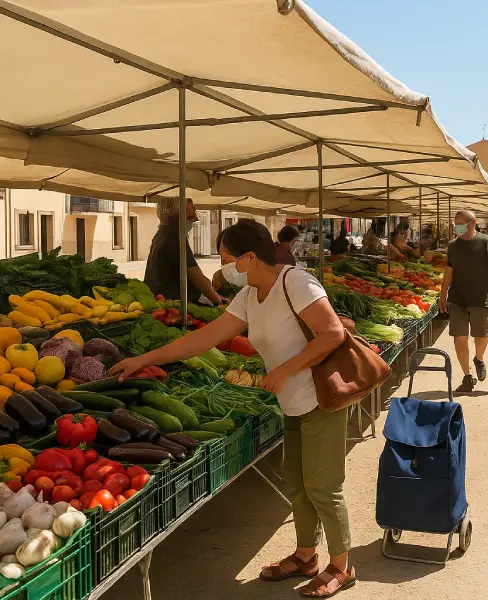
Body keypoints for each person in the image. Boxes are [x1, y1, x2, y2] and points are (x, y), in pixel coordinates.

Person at [112, 218, 356, 596]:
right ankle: (306, 555)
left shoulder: (297, 283)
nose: (223, 267)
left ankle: (342, 565)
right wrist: (144, 358)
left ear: (248, 257)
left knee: (323, 487)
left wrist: (287, 368)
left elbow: (333, 333)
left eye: (227, 258)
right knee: (296, 482)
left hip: (319, 397)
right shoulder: (248, 296)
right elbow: (206, 337)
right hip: (290, 401)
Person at [439, 210, 488, 392]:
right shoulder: (453, 246)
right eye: (455, 224)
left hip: (480, 298)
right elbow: (448, 272)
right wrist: (443, 295)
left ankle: (479, 359)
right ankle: (467, 376)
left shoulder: (486, 242)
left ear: (472, 223)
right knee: (460, 338)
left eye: (459, 224)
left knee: (481, 336)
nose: (456, 227)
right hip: (457, 299)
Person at [144, 198, 224, 305]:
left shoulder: (161, 234)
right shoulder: (174, 236)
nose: (195, 218)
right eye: (190, 216)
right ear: (177, 216)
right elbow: (194, 274)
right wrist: (217, 300)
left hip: (164, 299)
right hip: (174, 302)